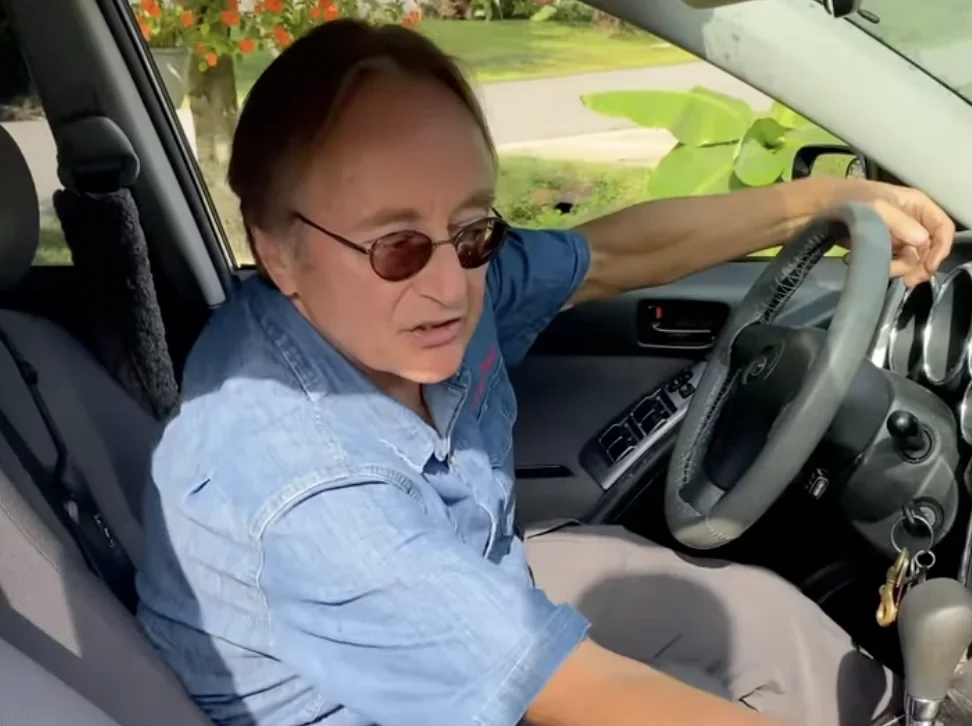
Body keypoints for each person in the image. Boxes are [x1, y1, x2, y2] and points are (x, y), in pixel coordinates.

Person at [135, 18, 954, 726]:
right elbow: (583, 695)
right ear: (278, 250)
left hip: (477, 591)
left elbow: (613, 255)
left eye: (473, 230)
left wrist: (823, 203)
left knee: (762, 620)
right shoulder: (312, 493)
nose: (452, 287)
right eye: (397, 246)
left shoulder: (406, 294)